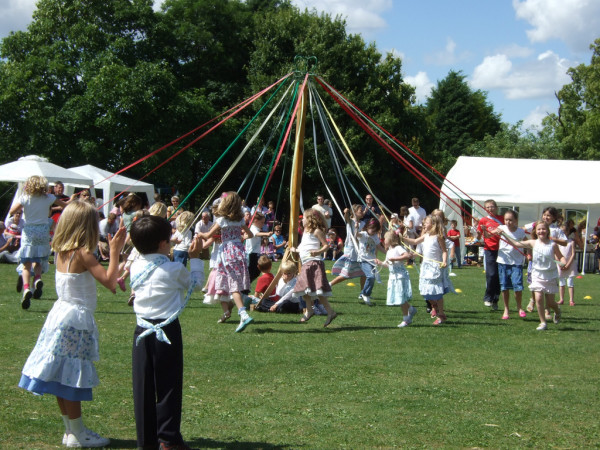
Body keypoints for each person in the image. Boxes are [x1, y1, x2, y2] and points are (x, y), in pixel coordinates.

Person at [18, 201, 126, 448]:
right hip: (75, 320)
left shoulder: (61, 250)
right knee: (70, 377)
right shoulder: (83, 253)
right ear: (86, 225)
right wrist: (116, 250)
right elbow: (110, 283)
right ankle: (78, 433)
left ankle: (70, 429)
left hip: (59, 316)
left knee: (60, 374)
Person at [129, 215, 203, 449]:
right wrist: (196, 258)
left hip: (141, 331)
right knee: (169, 385)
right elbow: (195, 283)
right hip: (167, 329)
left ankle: (146, 442)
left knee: (142, 386)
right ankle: (168, 438)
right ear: (162, 243)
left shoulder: (135, 266)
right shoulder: (173, 269)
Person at [196, 191, 255, 333]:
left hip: (227, 252)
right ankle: (243, 303)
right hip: (239, 251)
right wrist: (240, 239)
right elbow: (251, 234)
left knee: (233, 285)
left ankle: (243, 313)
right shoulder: (240, 221)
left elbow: (208, 234)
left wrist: (200, 234)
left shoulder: (222, 221)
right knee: (233, 281)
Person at [10, 175, 69, 308]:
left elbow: (13, 211)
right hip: (43, 232)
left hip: (29, 231)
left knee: (26, 264)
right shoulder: (49, 198)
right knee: (38, 261)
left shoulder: (25, 198)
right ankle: (37, 279)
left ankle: (26, 288)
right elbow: (65, 206)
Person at [500, 221, 566, 330]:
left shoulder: (552, 244)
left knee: (550, 302)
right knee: (539, 298)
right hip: (537, 274)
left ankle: (557, 310)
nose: (541, 231)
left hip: (550, 275)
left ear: (547, 231)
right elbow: (516, 243)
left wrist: (564, 262)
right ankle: (543, 322)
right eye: (539, 229)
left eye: (543, 229)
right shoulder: (533, 243)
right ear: (536, 231)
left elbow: (561, 257)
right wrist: (504, 234)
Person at [402, 215, 454, 325]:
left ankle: (441, 314)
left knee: (437, 291)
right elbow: (415, 241)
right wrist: (402, 238)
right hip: (425, 267)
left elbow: (444, 251)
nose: (424, 224)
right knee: (426, 291)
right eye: (424, 222)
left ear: (433, 224)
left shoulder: (438, 237)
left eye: (427, 222)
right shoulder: (425, 236)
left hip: (435, 267)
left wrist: (444, 261)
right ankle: (434, 306)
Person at [292, 208, 337, 327]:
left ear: (310, 220)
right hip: (306, 263)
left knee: (318, 291)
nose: (302, 221)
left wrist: (318, 252)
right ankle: (309, 310)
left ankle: (330, 312)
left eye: (304, 218)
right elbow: (303, 248)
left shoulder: (317, 231)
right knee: (303, 289)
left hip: (314, 263)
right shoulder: (305, 233)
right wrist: (294, 250)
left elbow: (326, 246)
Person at [491, 210, 527, 319]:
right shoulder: (502, 228)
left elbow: (527, 243)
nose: (508, 222)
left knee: (517, 286)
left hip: (516, 262)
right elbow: (490, 234)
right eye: (506, 220)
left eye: (511, 220)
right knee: (504, 286)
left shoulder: (520, 232)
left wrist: (528, 254)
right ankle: (506, 309)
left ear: (516, 220)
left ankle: (519, 307)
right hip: (503, 261)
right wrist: (487, 230)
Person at [377, 230, 415, 327]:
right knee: (399, 297)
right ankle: (411, 309)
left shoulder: (398, 248)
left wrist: (395, 259)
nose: (384, 240)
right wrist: (380, 263)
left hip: (400, 276)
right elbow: (387, 264)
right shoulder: (389, 251)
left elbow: (407, 255)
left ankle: (406, 319)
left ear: (390, 239)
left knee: (400, 298)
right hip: (393, 277)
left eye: (385, 238)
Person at [476, 199, 504, 310]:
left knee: (499, 276)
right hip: (490, 250)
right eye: (487, 207)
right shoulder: (483, 220)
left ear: (496, 207)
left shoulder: (502, 219)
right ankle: (488, 297)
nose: (490, 209)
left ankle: (495, 299)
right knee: (491, 274)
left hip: (502, 250)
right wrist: (479, 233)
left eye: (492, 206)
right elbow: (480, 237)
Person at [330, 205, 366, 289]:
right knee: (346, 274)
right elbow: (346, 217)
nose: (362, 212)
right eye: (360, 210)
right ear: (354, 212)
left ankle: (363, 292)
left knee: (364, 272)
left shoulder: (363, 223)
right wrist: (346, 212)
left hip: (359, 250)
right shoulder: (351, 221)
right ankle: (329, 284)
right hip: (351, 250)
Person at [357, 218, 386, 306]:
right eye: (372, 229)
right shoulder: (363, 234)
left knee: (372, 278)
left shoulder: (375, 237)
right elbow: (355, 234)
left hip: (372, 261)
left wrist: (388, 253)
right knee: (370, 276)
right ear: (368, 227)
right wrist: (355, 228)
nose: (373, 232)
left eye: (375, 230)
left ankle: (364, 293)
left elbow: (379, 247)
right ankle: (365, 294)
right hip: (364, 259)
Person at [244, 212, 272, 282]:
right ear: (256, 220)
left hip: (255, 253)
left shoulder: (257, 228)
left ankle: (247, 285)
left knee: (257, 271)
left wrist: (262, 242)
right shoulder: (253, 228)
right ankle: (245, 286)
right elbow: (256, 234)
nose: (263, 224)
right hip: (251, 253)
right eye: (261, 222)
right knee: (252, 271)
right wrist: (267, 233)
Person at [558, 222, 577, 306]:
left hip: (570, 265)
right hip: (560, 265)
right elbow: (556, 254)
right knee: (561, 282)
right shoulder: (558, 243)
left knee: (570, 282)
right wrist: (559, 263)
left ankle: (571, 300)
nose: (563, 234)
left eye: (564, 232)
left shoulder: (571, 242)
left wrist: (568, 264)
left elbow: (573, 254)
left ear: (568, 232)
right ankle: (561, 299)